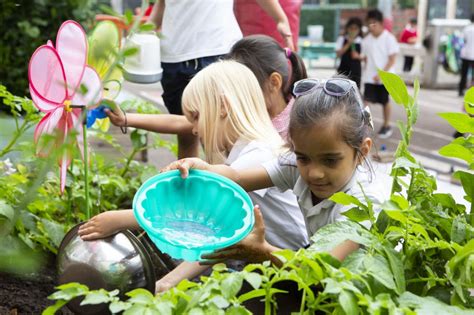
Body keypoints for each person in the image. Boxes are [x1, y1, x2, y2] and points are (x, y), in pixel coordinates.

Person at [79, 60, 308, 291]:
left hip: (292, 266)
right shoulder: (240, 152)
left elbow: (200, 213)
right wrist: (168, 283)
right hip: (259, 259)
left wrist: (123, 219)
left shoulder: (258, 152)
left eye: (196, 116)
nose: (195, 129)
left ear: (223, 107)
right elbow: (216, 237)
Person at [161, 76, 387, 270]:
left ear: (362, 152)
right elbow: (237, 178)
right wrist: (205, 170)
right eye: (303, 158)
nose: (315, 173)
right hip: (316, 267)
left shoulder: (362, 203)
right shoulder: (293, 167)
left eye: (330, 160)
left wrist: (266, 252)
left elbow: (324, 268)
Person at [139, 0, 293, 159]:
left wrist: (280, 19)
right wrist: (147, 30)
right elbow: (163, 3)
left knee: (220, 135)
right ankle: (189, 181)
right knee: (187, 131)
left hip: (217, 49)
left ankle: (226, 180)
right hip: (173, 57)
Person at [105, 35, 307, 140]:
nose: (233, 94)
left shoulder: (295, 124)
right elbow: (184, 122)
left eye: (242, 86)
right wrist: (126, 119)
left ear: (274, 82)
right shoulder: (248, 110)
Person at [227, 35, 307, 139]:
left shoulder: (298, 129)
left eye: (243, 88)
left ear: (274, 82)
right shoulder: (248, 120)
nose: (236, 96)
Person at [361, 9, 399, 139]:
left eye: (374, 23)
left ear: (381, 23)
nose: (371, 27)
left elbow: (392, 58)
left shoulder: (389, 38)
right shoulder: (366, 40)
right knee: (366, 101)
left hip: (385, 78)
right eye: (369, 24)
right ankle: (366, 127)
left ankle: (386, 125)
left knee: (385, 101)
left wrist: (382, 74)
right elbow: (366, 58)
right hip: (370, 76)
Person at [335, 17, 363, 88]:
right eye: (351, 28)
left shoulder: (362, 41)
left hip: (356, 71)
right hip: (343, 70)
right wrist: (348, 44)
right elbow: (338, 54)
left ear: (359, 30)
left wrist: (358, 56)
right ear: (347, 29)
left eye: (355, 28)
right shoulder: (342, 39)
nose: (353, 31)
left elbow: (365, 57)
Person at [459, 14, 474, 97]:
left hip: (465, 54)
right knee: (473, 76)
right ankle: (472, 92)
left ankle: (461, 90)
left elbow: (462, 41)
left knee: (463, 74)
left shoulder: (466, 29)